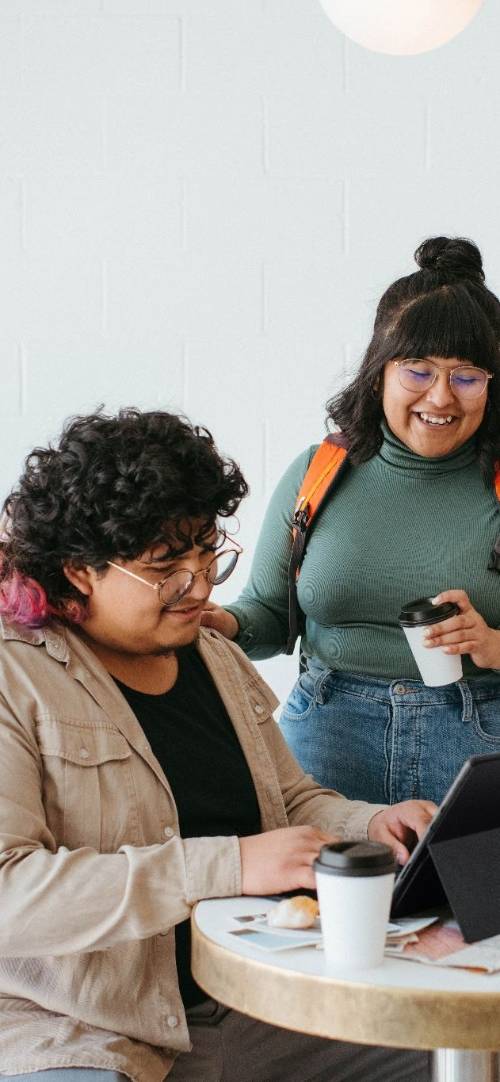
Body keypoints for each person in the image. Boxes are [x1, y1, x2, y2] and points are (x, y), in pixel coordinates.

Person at [0, 408, 433, 1082]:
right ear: (79, 570)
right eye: (165, 565)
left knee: (462, 1052)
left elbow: (289, 800)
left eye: (206, 551)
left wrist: (370, 822)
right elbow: (9, 895)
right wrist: (225, 867)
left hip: (246, 998)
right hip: (82, 1028)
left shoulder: (213, 654)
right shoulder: (14, 675)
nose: (200, 585)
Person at [203, 236, 500, 806]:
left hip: (477, 744)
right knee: (308, 899)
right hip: (325, 739)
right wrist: (220, 623)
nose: (442, 397)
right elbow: (268, 616)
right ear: (380, 370)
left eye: (467, 376)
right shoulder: (320, 472)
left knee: (473, 898)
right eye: (418, 370)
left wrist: (490, 644)